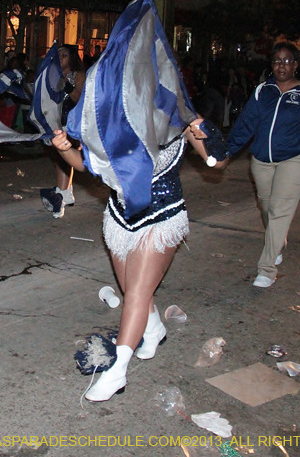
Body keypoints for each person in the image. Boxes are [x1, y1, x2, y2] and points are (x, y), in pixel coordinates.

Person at [51, 102, 221, 403]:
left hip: (162, 217)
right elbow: (83, 164)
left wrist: (207, 134)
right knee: (133, 290)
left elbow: (218, 162)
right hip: (119, 216)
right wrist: (63, 148)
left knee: (138, 294)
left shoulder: (181, 114)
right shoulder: (115, 110)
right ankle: (153, 329)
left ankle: (116, 372)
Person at [226, 42, 300, 288]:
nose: (281, 65)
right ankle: (277, 239)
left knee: (279, 209)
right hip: (263, 161)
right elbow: (246, 125)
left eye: (287, 60)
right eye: (277, 60)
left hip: (298, 158)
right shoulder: (262, 91)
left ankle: (267, 269)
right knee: (266, 207)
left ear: (296, 64)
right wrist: (227, 152)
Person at [40, 45, 85, 218]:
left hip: (73, 121)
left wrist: (67, 86)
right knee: (61, 157)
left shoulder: (78, 75)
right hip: (57, 121)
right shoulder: (53, 75)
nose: (60, 58)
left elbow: (81, 98)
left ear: (72, 58)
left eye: (64, 55)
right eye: (58, 55)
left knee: (65, 157)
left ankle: (61, 195)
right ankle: (66, 193)